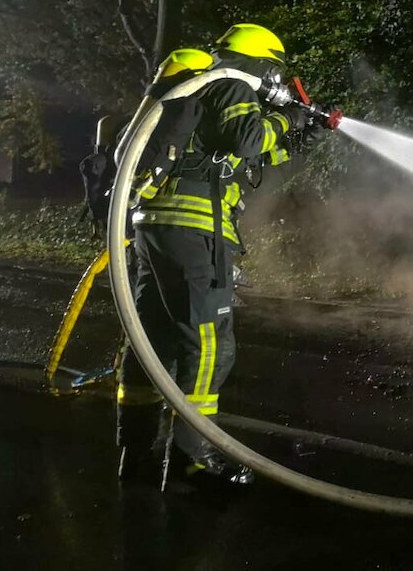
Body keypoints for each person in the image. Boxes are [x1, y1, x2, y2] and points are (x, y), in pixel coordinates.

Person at [116, 27, 308, 488]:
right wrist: (287, 120)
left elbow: (234, 158)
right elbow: (247, 138)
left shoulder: (200, 88)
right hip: (195, 231)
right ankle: (193, 459)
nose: (275, 81)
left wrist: (294, 138)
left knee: (154, 338)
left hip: (154, 225)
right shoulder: (234, 82)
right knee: (207, 346)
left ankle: (136, 452)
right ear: (260, 62)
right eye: (274, 71)